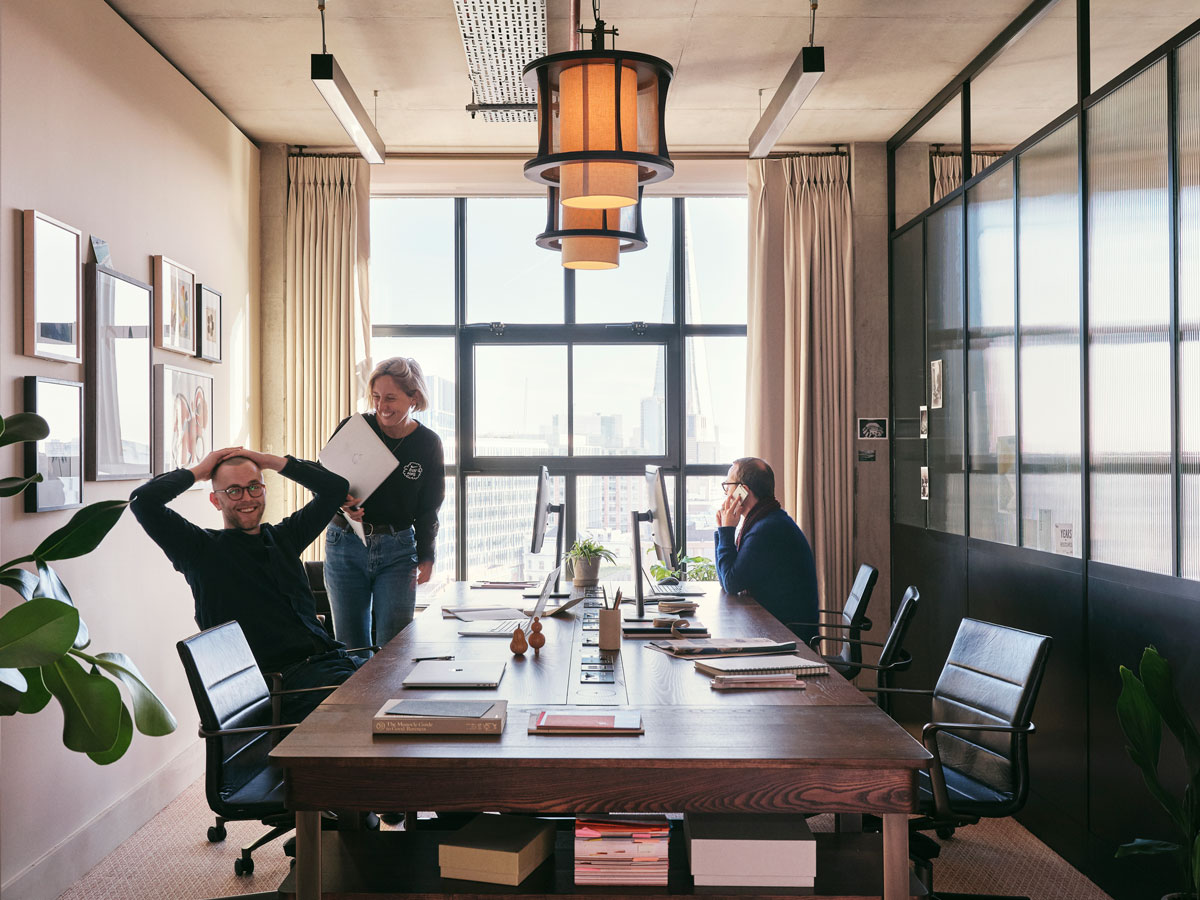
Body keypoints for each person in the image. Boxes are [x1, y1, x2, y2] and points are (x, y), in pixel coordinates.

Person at [130, 446, 360, 721]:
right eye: (233, 491)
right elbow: (142, 501)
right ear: (216, 501)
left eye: (254, 487)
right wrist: (199, 471)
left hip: (330, 665)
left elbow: (335, 488)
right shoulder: (199, 551)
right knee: (383, 708)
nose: (246, 498)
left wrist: (270, 461)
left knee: (403, 690)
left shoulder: (283, 538)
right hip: (281, 688)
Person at [324, 356, 445, 651]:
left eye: (391, 398)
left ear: (413, 397)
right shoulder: (355, 428)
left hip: (398, 550)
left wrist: (427, 554)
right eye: (376, 397)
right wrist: (341, 502)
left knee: (394, 650)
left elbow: (429, 506)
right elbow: (324, 481)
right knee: (350, 648)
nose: (382, 406)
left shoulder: (428, 443)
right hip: (345, 543)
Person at [714, 457, 819, 642]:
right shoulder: (768, 520)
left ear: (743, 491)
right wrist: (724, 529)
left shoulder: (767, 530)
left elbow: (731, 582)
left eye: (728, 486)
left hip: (785, 636)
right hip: (774, 627)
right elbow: (728, 579)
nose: (726, 494)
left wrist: (726, 530)